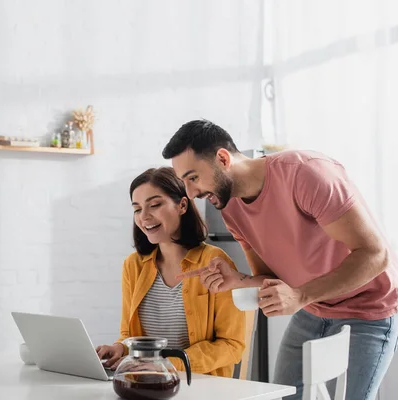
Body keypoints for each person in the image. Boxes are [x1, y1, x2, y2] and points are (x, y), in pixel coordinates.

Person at [162, 119, 398, 399]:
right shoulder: (231, 209)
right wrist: (239, 280)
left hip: (369, 309)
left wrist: (300, 296)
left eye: (193, 178)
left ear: (222, 158)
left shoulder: (306, 174)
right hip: (312, 310)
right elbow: (274, 279)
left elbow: (376, 255)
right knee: (284, 395)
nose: (192, 194)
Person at [96, 167, 245, 377]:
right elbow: (128, 336)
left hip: (202, 387)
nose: (144, 217)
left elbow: (231, 345)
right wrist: (120, 348)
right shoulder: (133, 265)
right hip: (148, 384)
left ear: (182, 205)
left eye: (155, 205)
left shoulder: (213, 262)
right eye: (137, 209)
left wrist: (168, 364)